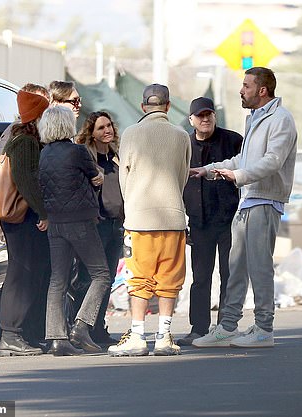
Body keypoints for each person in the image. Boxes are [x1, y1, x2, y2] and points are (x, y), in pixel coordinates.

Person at [190, 67, 297, 349]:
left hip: (264, 200)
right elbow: (242, 160)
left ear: (262, 90)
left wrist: (239, 177)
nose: (241, 90)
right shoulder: (256, 118)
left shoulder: (280, 120)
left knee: (260, 267)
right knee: (235, 268)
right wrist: (208, 170)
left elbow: (273, 161)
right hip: (248, 200)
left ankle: (264, 328)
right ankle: (227, 327)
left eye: (246, 86)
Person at [108, 84, 191, 357]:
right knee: (170, 279)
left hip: (140, 219)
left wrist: (132, 207)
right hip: (173, 217)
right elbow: (183, 176)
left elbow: (124, 179)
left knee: (139, 279)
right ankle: (165, 335)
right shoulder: (181, 135)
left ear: (143, 106)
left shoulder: (131, 134)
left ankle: (137, 335)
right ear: (168, 106)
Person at [38, 106, 110, 356]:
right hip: (80, 221)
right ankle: (81, 325)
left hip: (55, 223)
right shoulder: (78, 151)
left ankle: (57, 338)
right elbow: (95, 175)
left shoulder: (44, 154)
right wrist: (98, 178)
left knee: (57, 280)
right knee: (101, 274)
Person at [177, 97, 243, 346]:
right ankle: (198, 328)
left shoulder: (233, 140)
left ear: (215, 116)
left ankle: (226, 326)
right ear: (191, 119)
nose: (205, 119)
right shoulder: (183, 143)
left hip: (229, 220)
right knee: (201, 277)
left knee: (229, 274)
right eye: (200, 116)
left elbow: (246, 171)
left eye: (209, 115)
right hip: (199, 221)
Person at [0, 90, 51, 356]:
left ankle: (24, 334)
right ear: (37, 116)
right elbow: (26, 181)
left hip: (25, 218)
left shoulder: (29, 140)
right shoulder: (25, 142)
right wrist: (43, 213)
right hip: (23, 220)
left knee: (31, 273)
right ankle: (11, 335)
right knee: (21, 274)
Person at [74, 111, 124, 345]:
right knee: (91, 277)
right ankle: (82, 325)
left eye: (109, 126)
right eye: (101, 128)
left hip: (117, 224)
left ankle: (98, 325)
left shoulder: (118, 157)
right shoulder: (88, 160)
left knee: (109, 277)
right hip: (97, 224)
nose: (107, 131)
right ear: (91, 134)